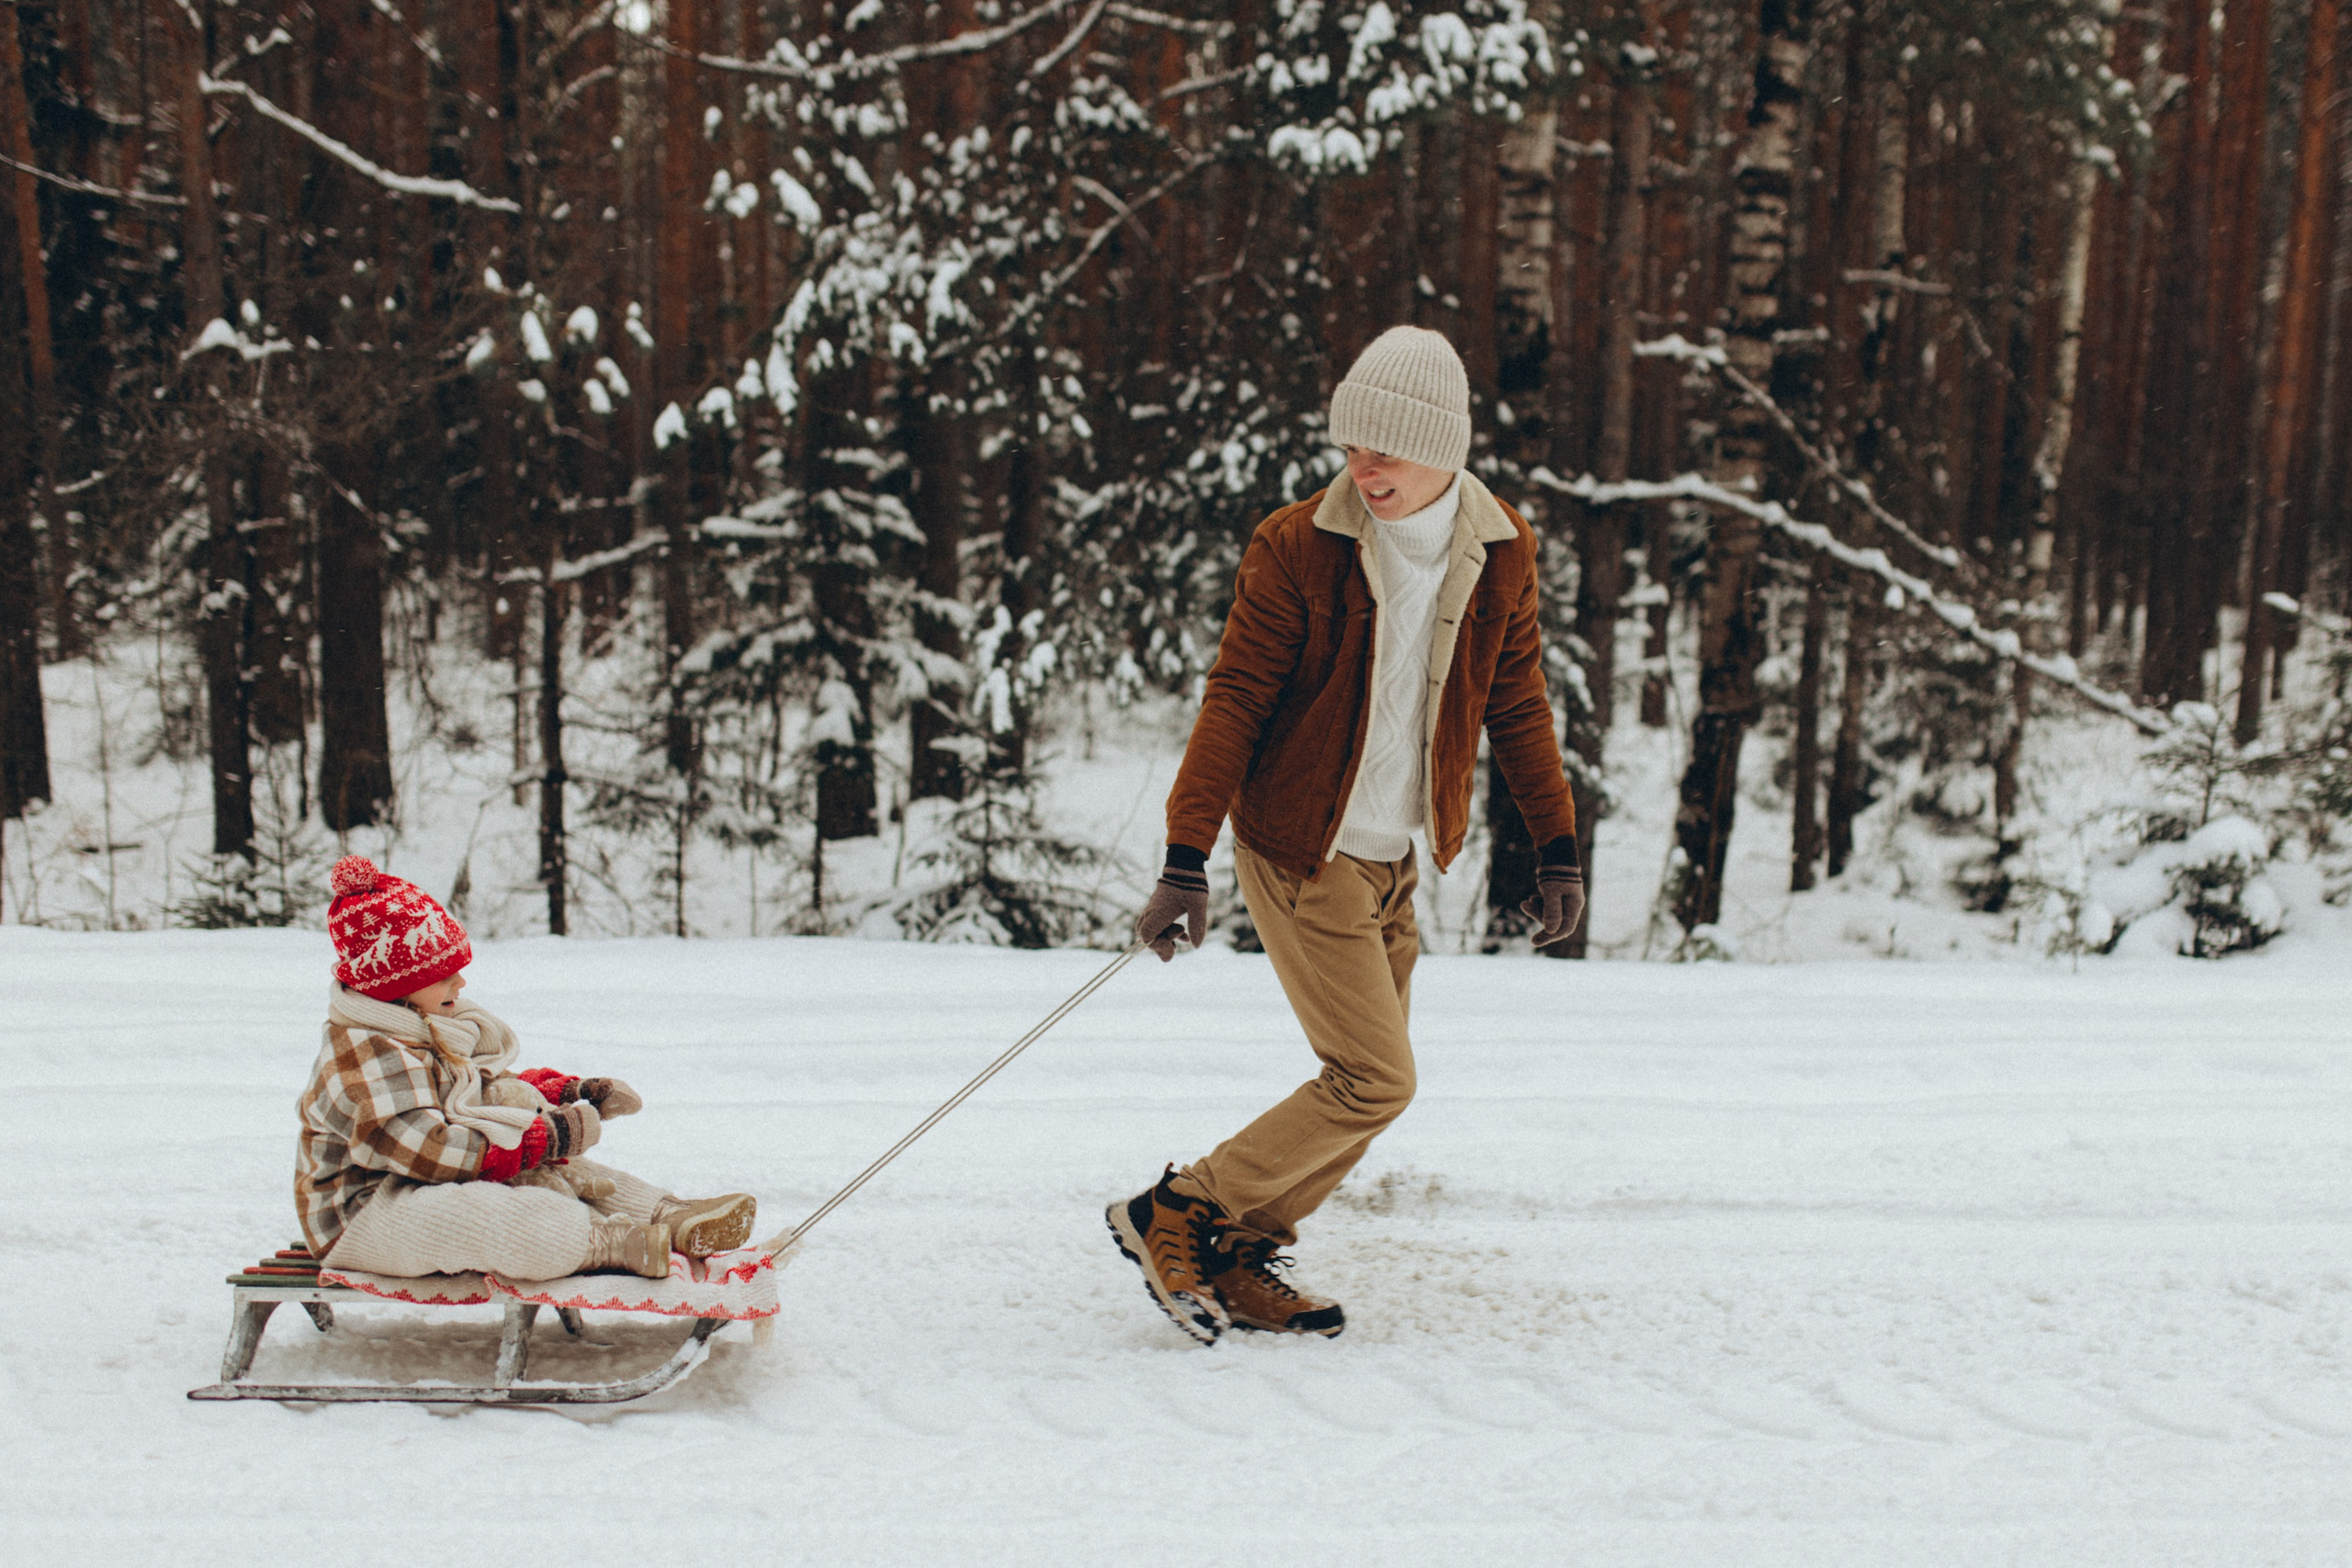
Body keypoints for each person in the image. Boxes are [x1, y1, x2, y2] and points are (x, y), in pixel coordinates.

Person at [1105, 326, 1585, 1344]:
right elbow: (1235, 698)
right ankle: (1178, 1211)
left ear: (1443, 448)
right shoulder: (1297, 545)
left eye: (1388, 450)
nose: (1364, 468)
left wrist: (1557, 848)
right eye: (1351, 446)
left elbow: (1519, 702)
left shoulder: (1499, 550)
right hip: (1298, 848)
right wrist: (1184, 858)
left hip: (1391, 858)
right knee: (1376, 1077)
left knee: (1367, 1090)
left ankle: (1236, 1248)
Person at [298, 855, 756, 1282]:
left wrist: (566, 1094)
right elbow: (432, 1152)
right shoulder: (362, 1055)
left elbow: (482, 1093)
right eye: (443, 975)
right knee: (486, 1212)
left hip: (414, 1182)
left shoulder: (423, 1024)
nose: (461, 982)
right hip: (363, 1214)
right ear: (399, 987)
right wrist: (542, 1137)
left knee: (569, 1169)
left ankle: (667, 1216)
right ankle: (600, 1241)